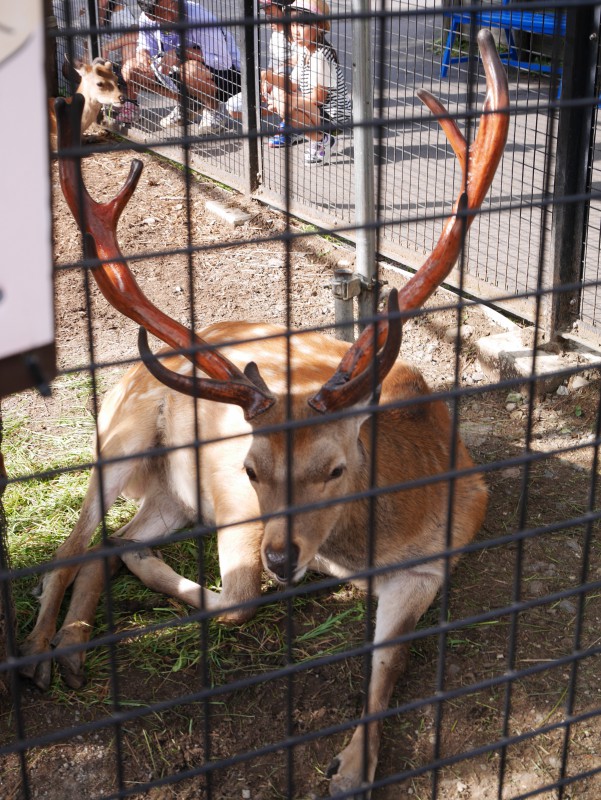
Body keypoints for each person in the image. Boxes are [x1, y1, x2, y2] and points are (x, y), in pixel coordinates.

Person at [116, 0, 241, 135]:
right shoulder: (146, 20)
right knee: (130, 69)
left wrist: (180, 52)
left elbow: (223, 62)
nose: (171, 16)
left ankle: (213, 111)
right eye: (163, 13)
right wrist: (142, 54)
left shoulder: (200, 17)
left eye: (173, 6)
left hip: (226, 78)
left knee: (190, 70)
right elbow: (144, 45)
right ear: (150, 16)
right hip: (178, 73)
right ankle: (188, 103)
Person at [262, 0, 351, 164]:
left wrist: (287, 102)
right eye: (293, 25)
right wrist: (267, 76)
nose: (295, 31)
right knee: (278, 96)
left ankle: (323, 139)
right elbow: (292, 84)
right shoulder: (305, 50)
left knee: (285, 106)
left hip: (333, 116)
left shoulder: (320, 56)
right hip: (318, 110)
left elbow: (319, 98)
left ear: (319, 26)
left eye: (301, 26)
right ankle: (316, 137)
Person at [225, 0, 301, 147]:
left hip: (294, 85)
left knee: (281, 81)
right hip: (275, 83)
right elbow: (272, 66)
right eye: (266, 13)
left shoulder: (296, 32)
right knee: (232, 107)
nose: (268, 17)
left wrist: (271, 77)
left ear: (284, 10)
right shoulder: (275, 36)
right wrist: (265, 82)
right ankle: (287, 117)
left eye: (271, 12)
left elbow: (300, 61)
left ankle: (292, 128)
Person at [98, 1, 138, 67]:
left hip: (118, 58)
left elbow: (136, 35)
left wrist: (107, 47)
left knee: (130, 46)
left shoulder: (119, 10)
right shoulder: (86, 13)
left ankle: (125, 74)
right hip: (100, 59)